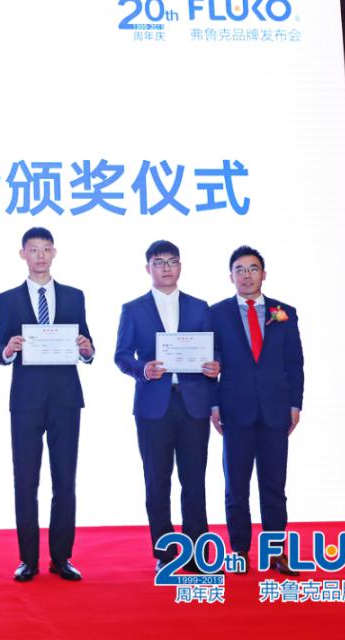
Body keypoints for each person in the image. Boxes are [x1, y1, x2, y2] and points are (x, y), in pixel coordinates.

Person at [0, 227, 94, 583]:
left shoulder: (74, 296)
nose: (40, 256)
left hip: (66, 399)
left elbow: (87, 343)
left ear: (54, 253)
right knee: (25, 481)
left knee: (65, 481)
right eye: (33, 250)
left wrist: (86, 349)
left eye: (46, 249)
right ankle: (28, 560)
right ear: (23, 254)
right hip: (26, 401)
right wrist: (8, 349)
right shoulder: (8, 299)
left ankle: (61, 558)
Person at [113, 240, 220, 571]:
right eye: (159, 262)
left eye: (172, 261)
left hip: (193, 404)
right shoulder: (133, 309)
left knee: (194, 480)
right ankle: (165, 554)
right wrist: (142, 370)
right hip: (153, 406)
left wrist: (215, 364)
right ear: (148, 268)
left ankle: (197, 555)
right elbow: (121, 355)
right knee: (157, 481)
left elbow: (215, 350)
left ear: (180, 266)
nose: (166, 268)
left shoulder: (200, 307)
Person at [210, 245, 304, 574]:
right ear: (231, 276)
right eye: (240, 269)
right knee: (236, 487)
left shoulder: (284, 312)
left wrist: (295, 403)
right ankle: (239, 550)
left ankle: (277, 553)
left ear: (264, 274)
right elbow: (210, 361)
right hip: (235, 411)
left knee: (274, 486)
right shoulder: (216, 313)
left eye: (253, 269)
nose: (246, 275)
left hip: (276, 411)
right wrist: (213, 404)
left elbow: (294, 362)